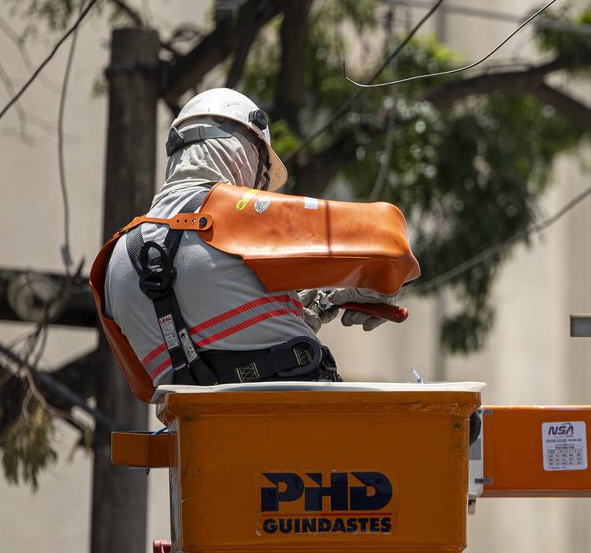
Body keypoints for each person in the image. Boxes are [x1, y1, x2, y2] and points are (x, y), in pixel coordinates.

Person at [90, 88, 419, 399]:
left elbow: (148, 384)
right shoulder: (236, 214)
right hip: (301, 428)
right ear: (246, 149)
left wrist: (280, 310)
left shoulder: (112, 263)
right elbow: (388, 238)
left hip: (205, 444)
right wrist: (374, 280)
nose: (261, 189)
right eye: (263, 174)